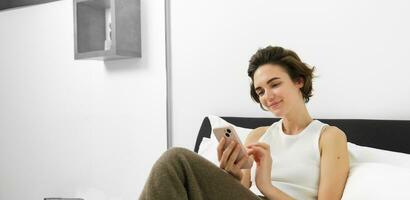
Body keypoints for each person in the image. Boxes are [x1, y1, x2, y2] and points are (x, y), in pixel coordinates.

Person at [139, 46, 350, 200]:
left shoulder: (329, 137)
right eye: (260, 91)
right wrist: (232, 175)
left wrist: (265, 185)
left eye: (274, 84)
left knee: (176, 160)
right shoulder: (258, 135)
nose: (268, 96)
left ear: (299, 81)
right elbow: (241, 191)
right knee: (173, 171)